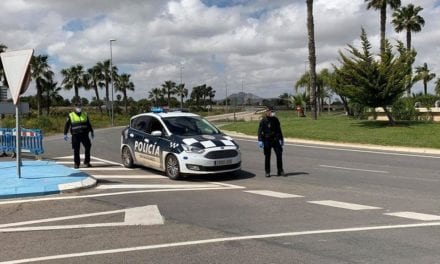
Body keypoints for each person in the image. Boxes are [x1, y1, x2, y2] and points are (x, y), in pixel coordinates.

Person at [64, 103, 94, 169]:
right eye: (77, 107)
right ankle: (76, 164)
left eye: (80, 106)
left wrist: (91, 131)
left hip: (84, 134)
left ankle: (87, 162)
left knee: (88, 147)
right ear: (75, 107)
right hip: (75, 135)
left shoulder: (85, 114)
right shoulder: (71, 115)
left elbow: (88, 124)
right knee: (76, 149)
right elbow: (67, 125)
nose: (79, 108)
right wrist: (65, 133)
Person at [258, 106, 285, 177]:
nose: (273, 113)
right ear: (267, 112)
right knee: (267, 156)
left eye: (273, 111)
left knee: (279, 155)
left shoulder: (276, 119)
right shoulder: (263, 120)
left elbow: (279, 130)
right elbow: (260, 131)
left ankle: (280, 170)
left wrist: (281, 139)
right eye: (271, 111)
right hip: (267, 140)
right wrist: (260, 140)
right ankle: (267, 171)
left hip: (275, 139)